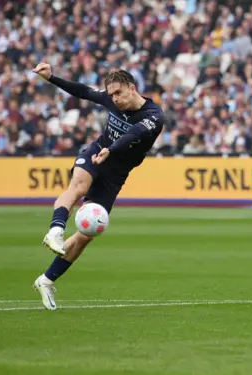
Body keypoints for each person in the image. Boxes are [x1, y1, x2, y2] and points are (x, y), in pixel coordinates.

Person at [31, 63, 165, 310]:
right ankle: (56, 229)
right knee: (78, 187)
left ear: (132, 88)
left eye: (118, 94)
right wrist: (51, 77)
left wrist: (111, 151)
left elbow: (134, 134)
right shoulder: (112, 101)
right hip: (95, 154)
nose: (114, 99)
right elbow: (83, 91)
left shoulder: (154, 116)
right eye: (111, 94)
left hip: (115, 173)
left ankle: (46, 280)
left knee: (86, 234)